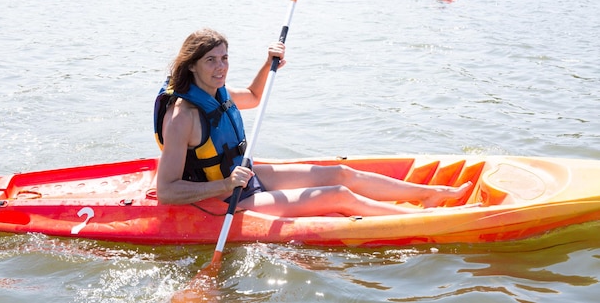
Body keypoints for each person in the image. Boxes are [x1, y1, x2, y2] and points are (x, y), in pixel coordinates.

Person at [155, 28, 473, 217]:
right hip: (224, 199)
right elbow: (166, 191)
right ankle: (415, 218)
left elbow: (252, 95)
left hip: (243, 178)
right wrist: (226, 185)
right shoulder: (184, 117)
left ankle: (429, 194)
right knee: (337, 194)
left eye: (224, 58)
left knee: (341, 173)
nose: (220, 66)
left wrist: (269, 64)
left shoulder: (217, 92)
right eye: (211, 60)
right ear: (193, 66)